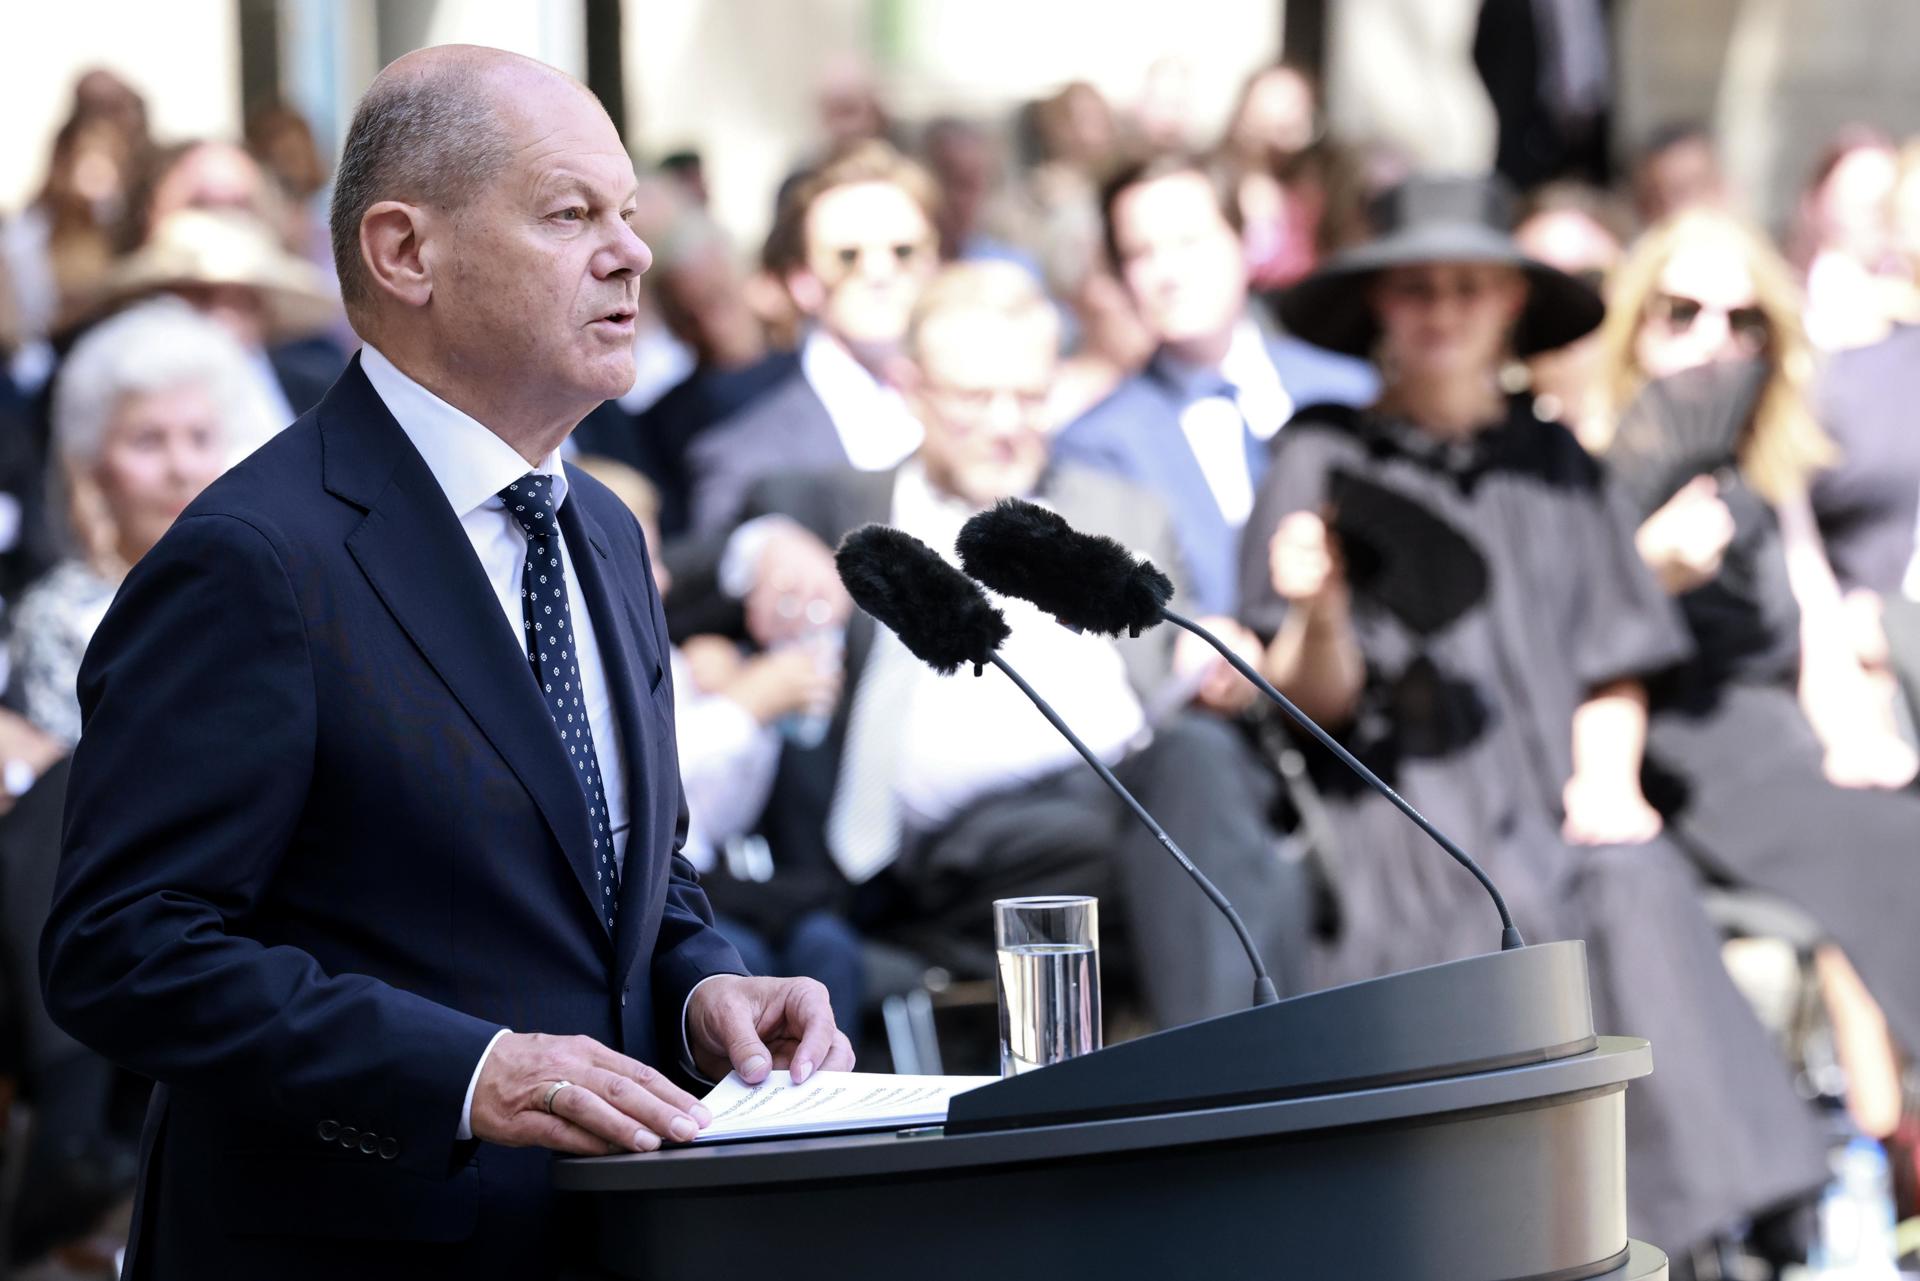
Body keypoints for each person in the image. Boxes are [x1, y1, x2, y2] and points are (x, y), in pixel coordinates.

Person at [38, 46, 849, 1279]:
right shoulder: (257, 556)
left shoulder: (605, 531)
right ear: (404, 253)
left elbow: (624, 873)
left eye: (627, 213)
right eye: (571, 215)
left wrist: (702, 991)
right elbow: (125, 948)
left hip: (615, 1235)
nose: (629, 252)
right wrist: (463, 1073)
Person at [1237, 175, 1827, 1262]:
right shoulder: (1322, 452)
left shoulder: (1554, 460)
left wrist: (1608, 779)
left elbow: (1617, 649)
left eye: (1470, 287)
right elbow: (1310, 702)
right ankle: (1522, 1245)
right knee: (1479, 919)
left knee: (1632, 879)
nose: (1444, 311)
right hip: (1401, 804)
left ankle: (1713, 1238)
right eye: (1418, 289)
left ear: (1512, 305)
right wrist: (1317, 610)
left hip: (1553, 782)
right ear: (1380, 307)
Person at [716, 261, 1313, 1026]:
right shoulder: (827, 505)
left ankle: (1233, 1076)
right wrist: (762, 549)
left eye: (1029, 398)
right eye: (975, 398)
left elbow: (1173, 660)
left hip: (1129, 802)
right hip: (953, 857)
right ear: (909, 388)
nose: (1006, 424)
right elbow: (675, 563)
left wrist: (1211, 664)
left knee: (1202, 776)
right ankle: (1251, 1085)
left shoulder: (1118, 509)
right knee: (1224, 860)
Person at [1590, 212, 1920, 1131]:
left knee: (1893, 817)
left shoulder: (1762, 464)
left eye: (1742, 322)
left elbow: (1811, 610)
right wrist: (1647, 572)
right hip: (1684, 748)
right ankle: (1890, 1164)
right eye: (1682, 312)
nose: (1713, 341)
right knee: (1896, 853)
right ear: (1636, 324)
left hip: (1783, 738)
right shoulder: (1590, 467)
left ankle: (1893, 1156)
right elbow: (1569, 643)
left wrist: (1852, 731)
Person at [1054, 154, 1378, 619]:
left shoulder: (1350, 391)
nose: (1168, 273)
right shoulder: (1096, 445)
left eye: (1189, 242)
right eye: (1141, 253)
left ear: (1245, 242)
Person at [10, 299, 267, 750]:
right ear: (94, 466)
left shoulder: (269, 589)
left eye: (200, 438)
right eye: (148, 441)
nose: (181, 468)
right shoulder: (59, 618)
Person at [685, 141, 940, 534]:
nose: (879, 272)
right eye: (848, 256)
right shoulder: (745, 458)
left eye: (903, 251)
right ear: (802, 281)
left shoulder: (1000, 414)